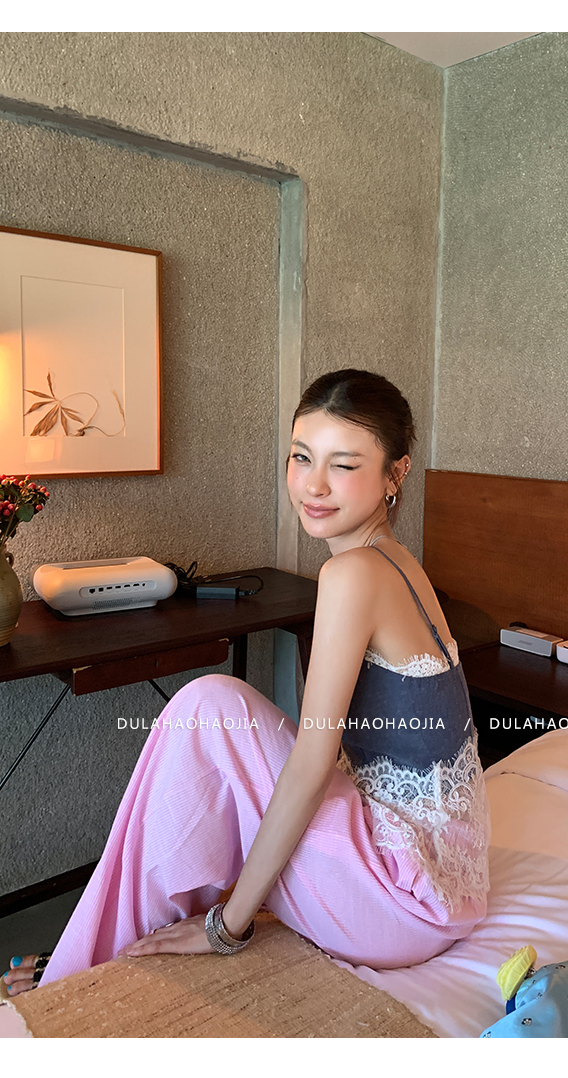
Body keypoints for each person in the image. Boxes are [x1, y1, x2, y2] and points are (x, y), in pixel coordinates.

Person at [5, 368, 491, 997]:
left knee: (208, 707)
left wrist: (229, 925)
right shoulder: (397, 563)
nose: (313, 485)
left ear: (395, 474)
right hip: (447, 889)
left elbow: (313, 761)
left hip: (401, 909)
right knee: (214, 716)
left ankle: (86, 960)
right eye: (301, 457)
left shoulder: (354, 575)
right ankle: (107, 941)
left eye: (344, 465)